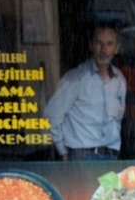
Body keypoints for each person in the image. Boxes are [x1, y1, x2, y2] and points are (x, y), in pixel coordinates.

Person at [44, 25, 126, 161]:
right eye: (99, 43)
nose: (104, 50)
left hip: (110, 156)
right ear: (91, 46)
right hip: (81, 156)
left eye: (109, 44)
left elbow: (118, 120)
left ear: (116, 49)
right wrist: (63, 152)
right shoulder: (76, 78)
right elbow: (52, 114)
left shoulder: (119, 79)